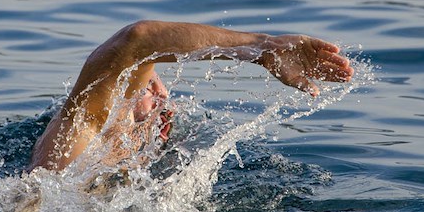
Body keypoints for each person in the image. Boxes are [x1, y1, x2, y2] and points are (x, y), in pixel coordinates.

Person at [29, 20, 354, 172]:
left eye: (151, 86)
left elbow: (138, 45)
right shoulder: (79, 134)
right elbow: (138, 41)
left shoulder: (98, 153)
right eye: (143, 79)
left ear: (157, 129)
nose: (154, 87)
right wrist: (263, 47)